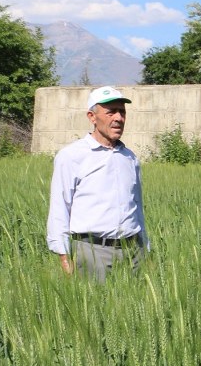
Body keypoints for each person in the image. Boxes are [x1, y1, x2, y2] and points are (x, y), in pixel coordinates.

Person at [46, 85, 149, 280]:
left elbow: (137, 206)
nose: (118, 118)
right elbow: (60, 206)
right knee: (96, 307)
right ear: (92, 117)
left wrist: (145, 247)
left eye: (122, 112)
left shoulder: (130, 158)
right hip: (92, 252)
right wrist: (63, 255)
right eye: (111, 112)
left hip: (133, 251)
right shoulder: (71, 156)